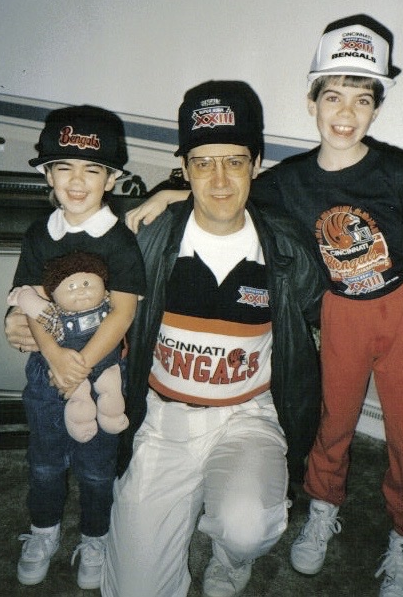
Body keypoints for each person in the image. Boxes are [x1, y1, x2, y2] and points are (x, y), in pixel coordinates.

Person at [121, 16, 403, 597]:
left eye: (362, 99)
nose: (346, 112)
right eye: (333, 95)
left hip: (401, 313)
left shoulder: (390, 173)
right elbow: (219, 182)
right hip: (323, 324)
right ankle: (323, 509)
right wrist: (172, 192)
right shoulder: (285, 183)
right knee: (332, 426)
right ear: (311, 102)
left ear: (378, 108)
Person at [101, 80, 327, 597]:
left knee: (247, 526)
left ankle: (228, 559)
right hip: (165, 419)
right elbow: (81, 288)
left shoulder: (286, 248)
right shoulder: (147, 236)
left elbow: (337, 310)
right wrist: (30, 318)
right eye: (203, 163)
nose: (220, 179)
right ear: (184, 169)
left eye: (235, 161)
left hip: (249, 415)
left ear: (257, 162)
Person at [7, 105, 146, 589]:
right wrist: (55, 357)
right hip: (48, 375)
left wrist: (82, 363)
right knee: (44, 461)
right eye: (64, 167)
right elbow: (32, 305)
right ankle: (42, 531)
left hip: (102, 372)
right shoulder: (40, 234)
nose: (78, 181)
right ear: (48, 172)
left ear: (111, 179)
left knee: (95, 467)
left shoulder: (120, 242)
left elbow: (124, 312)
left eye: (92, 169)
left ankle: (94, 537)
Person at [7, 251, 129, 443]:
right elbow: (39, 310)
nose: (80, 291)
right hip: (65, 368)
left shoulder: (107, 301)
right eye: (71, 287)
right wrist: (24, 297)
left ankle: (112, 416)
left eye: (87, 284)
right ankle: (81, 423)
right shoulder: (57, 315)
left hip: (107, 364)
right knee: (77, 400)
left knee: (111, 387)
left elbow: (127, 304)